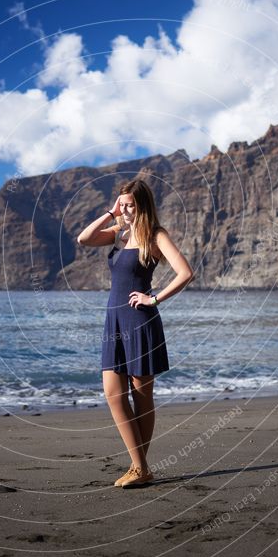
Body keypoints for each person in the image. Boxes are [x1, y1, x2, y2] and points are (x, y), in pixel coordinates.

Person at [77, 178, 194, 488]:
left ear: (142, 205)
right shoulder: (119, 232)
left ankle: (139, 468)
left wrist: (153, 298)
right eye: (122, 204)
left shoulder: (155, 235)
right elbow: (84, 239)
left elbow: (185, 273)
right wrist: (110, 213)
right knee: (114, 394)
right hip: (113, 320)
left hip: (140, 320)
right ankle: (141, 467)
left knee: (142, 397)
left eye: (130, 205)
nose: (126, 210)